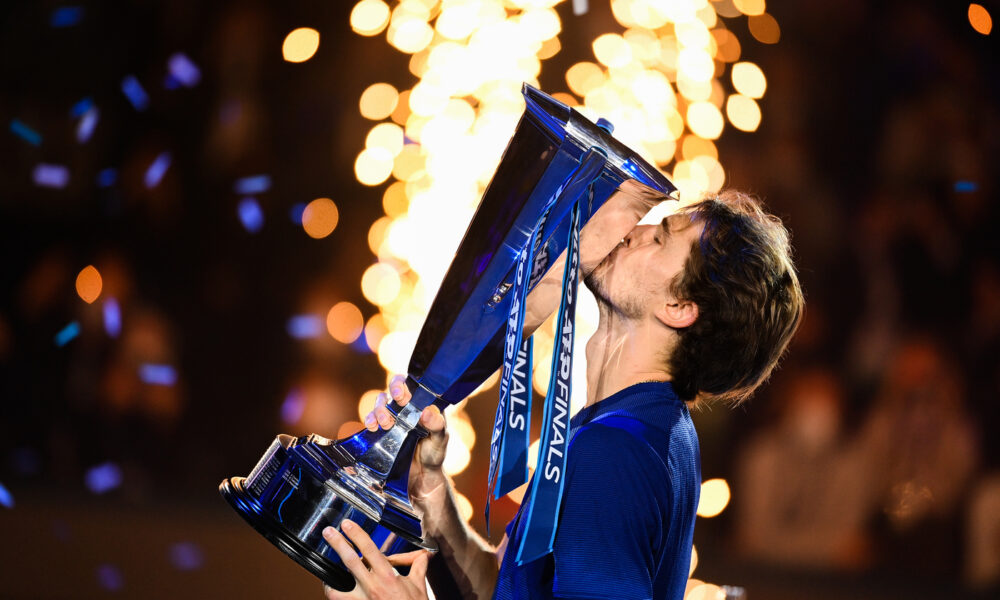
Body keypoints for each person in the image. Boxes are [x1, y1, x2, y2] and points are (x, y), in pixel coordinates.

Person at [321, 190, 804, 600]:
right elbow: (504, 588)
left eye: (659, 238)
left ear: (679, 306)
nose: (633, 231)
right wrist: (431, 493)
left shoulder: (616, 451)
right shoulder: (632, 428)